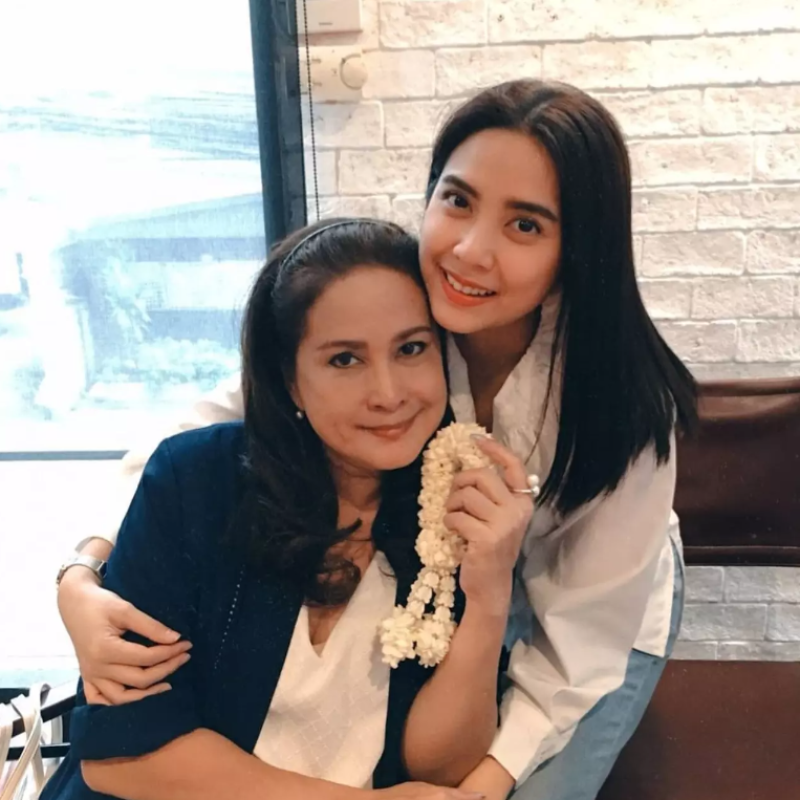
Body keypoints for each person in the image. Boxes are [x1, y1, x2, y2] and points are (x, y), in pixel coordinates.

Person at [56, 80, 697, 800]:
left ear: (577, 247)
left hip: (595, 604)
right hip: (471, 567)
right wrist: (82, 575)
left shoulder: (620, 408)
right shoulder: (407, 302)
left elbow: (579, 649)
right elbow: (213, 425)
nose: (471, 250)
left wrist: (483, 787)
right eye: (457, 200)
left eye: (525, 225)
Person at [45, 218, 536, 800]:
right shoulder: (196, 482)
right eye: (344, 360)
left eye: (411, 348)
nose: (388, 393)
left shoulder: (449, 511)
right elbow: (123, 757)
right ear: (290, 380)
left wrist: (489, 594)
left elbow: (438, 767)